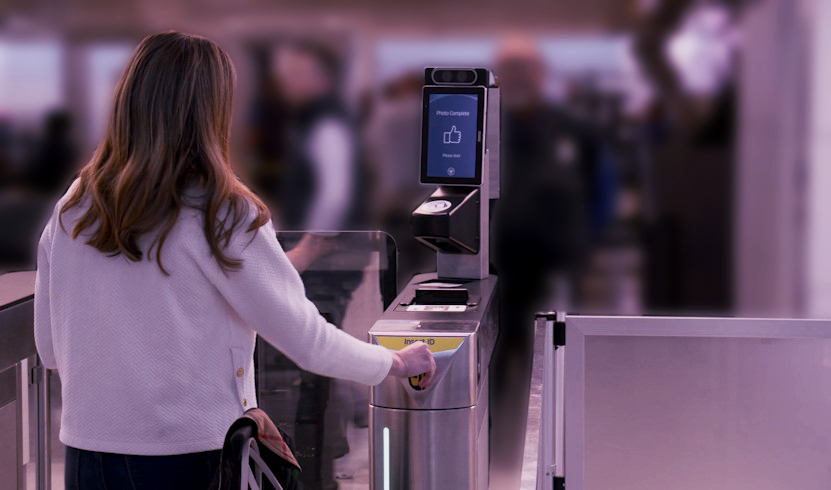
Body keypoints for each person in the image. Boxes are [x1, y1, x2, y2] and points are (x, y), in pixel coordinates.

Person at [33, 31, 435, 490]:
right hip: (188, 458)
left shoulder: (74, 207)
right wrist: (395, 364)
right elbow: (305, 340)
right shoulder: (220, 210)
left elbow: (49, 348)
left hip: (87, 455)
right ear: (211, 111)